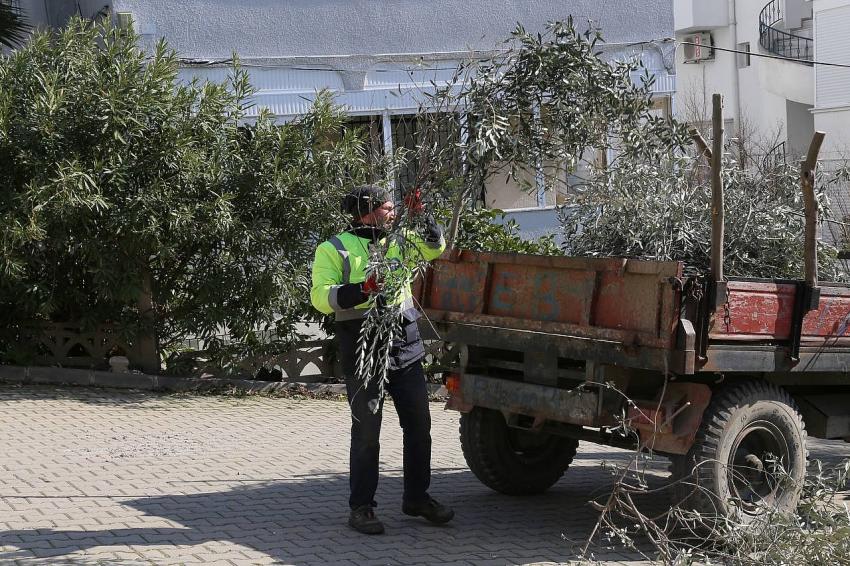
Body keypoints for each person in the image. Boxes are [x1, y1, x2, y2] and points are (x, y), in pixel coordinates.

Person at [310, 185, 454, 535]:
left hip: (405, 346)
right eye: (388, 207)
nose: (393, 213)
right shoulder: (333, 248)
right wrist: (364, 289)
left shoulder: (400, 240)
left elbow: (436, 247)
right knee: (367, 432)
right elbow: (321, 297)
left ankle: (417, 499)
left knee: (419, 426)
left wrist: (421, 214)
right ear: (368, 211)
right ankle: (361, 508)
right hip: (364, 348)